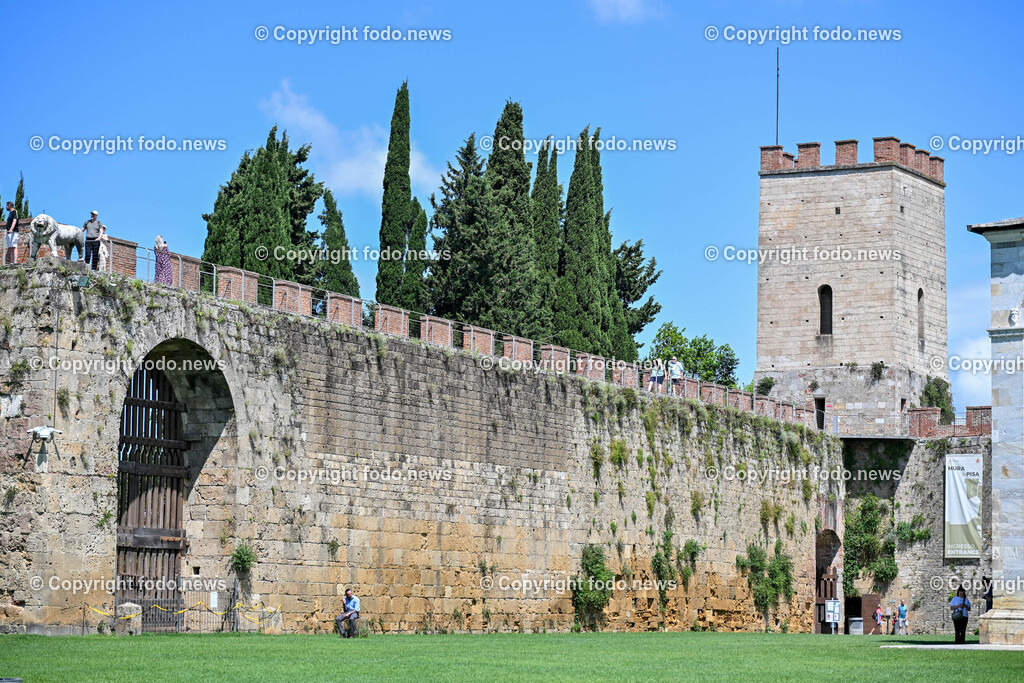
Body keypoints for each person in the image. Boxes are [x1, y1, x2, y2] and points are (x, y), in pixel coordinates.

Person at [4, 201, 17, 266]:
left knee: (14, 246)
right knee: (11, 247)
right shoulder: (10, 213)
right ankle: (12, 262)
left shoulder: (14, 212)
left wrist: (11, 229)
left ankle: (14, 262)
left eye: (7, 205)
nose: (6, 207)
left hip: (14, 232)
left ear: (9, 205)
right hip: (9, 232)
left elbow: (15, 220)